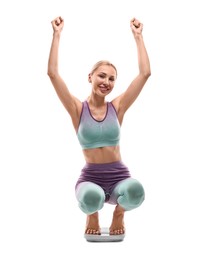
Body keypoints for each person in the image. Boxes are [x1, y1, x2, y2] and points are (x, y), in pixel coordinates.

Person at [47, 16, 151, 236]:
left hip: (119, 176)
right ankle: (92, 214)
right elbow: (53, 74)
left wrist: (138, 36)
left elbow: (144, 74)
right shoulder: (77, 110)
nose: (106, 82)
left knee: (136, 191)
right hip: (91, 178)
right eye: (102, 76)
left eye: (112, 79)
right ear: (90, 77)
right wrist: (57, 35)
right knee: (91, 198)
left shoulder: (117, 107)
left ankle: (119, 213)